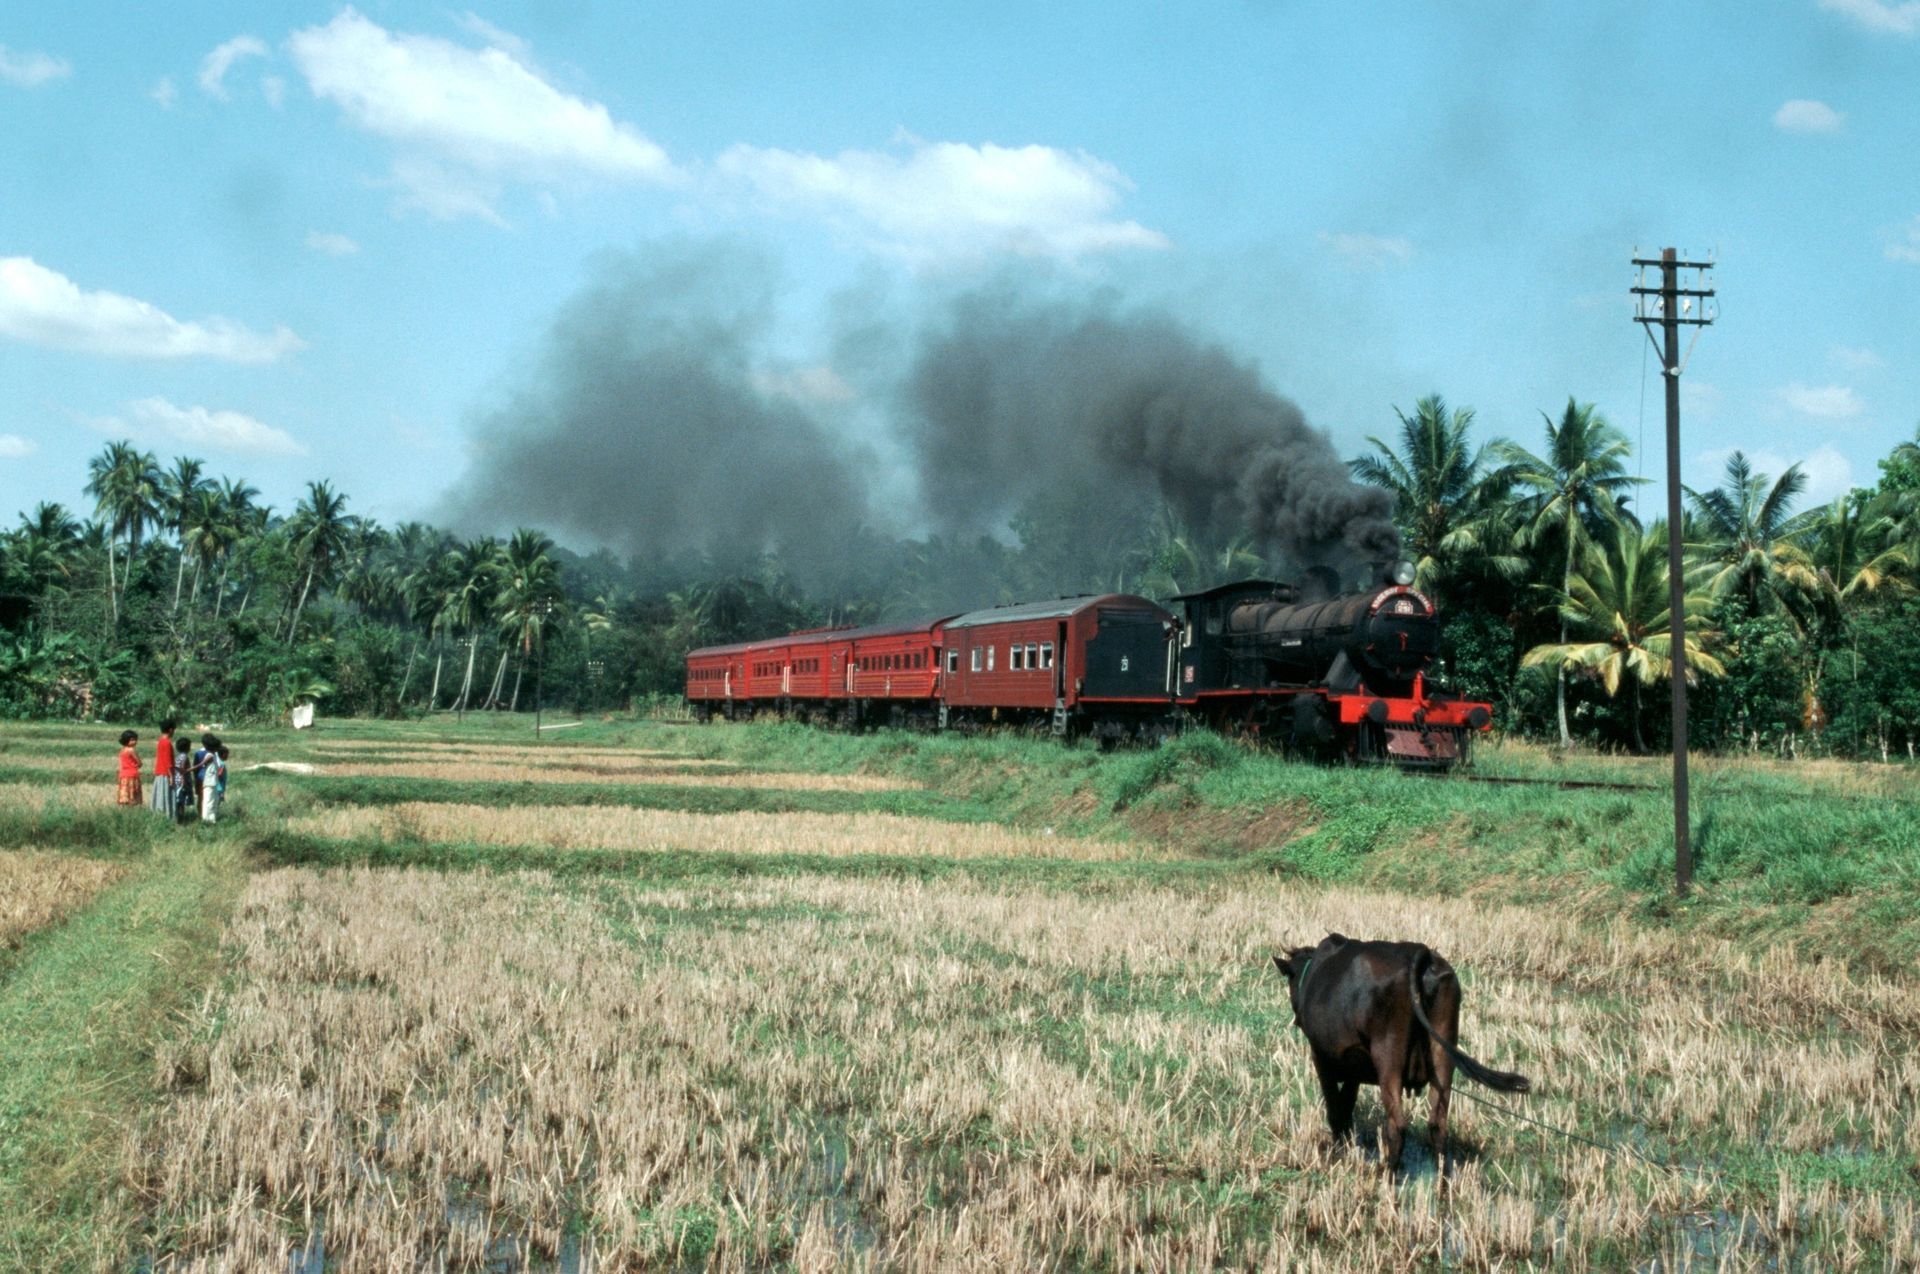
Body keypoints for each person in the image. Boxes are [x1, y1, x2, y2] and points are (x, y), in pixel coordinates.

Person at [150, 718, 178, 816]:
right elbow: (168, 761)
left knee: (160, 796)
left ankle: (160, 815)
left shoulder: (161, 741)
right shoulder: (167, 743)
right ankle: (166, 816)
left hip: (161, 772)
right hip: (165, 774)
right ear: (170, 730)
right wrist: (171, 776)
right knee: (166, 796)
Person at [195, 733, 223, 823]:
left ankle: (211, 819)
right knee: (208, 801)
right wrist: (188, 770)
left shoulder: (212, 755)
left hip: (213, 782)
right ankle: (206, 820)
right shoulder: (209, 755)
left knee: (213, 801)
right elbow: (199, 765)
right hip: (209, 782)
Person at [173, 736, 196, 825]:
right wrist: (183, 780)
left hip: (177, 780)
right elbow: (183, 769)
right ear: (187, 747)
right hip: (182, 781)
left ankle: (179, 817)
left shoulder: (178, 756)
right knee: (181, 801)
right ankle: (181, 818)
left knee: (178, 800)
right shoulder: (185, 757)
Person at [117, 730, 142, 806]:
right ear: (126, 740)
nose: (135, 741)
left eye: (135, 739)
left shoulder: (122, 751)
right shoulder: (131, 750)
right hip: (132, 774)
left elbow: (121, 764)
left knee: (125, 794)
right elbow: (140, 763)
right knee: (133, 795)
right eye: (132, 740)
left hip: (123, 775)